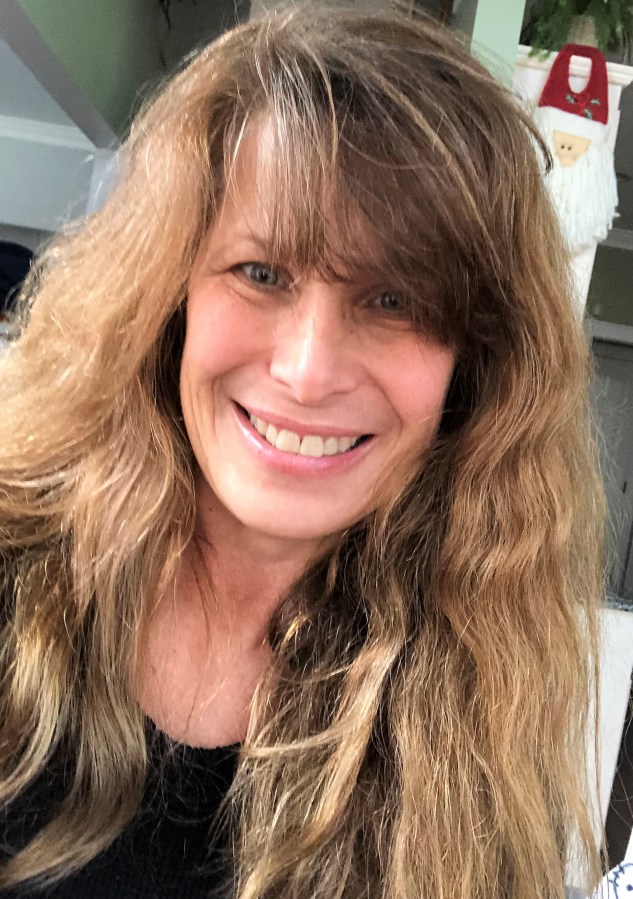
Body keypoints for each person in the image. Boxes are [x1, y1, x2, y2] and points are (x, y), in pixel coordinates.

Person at [0, 2, 608, 898]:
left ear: (473, 367)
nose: (307, 371)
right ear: (169, 292)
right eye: (260, 272)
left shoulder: (480, 730)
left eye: (394, 300)